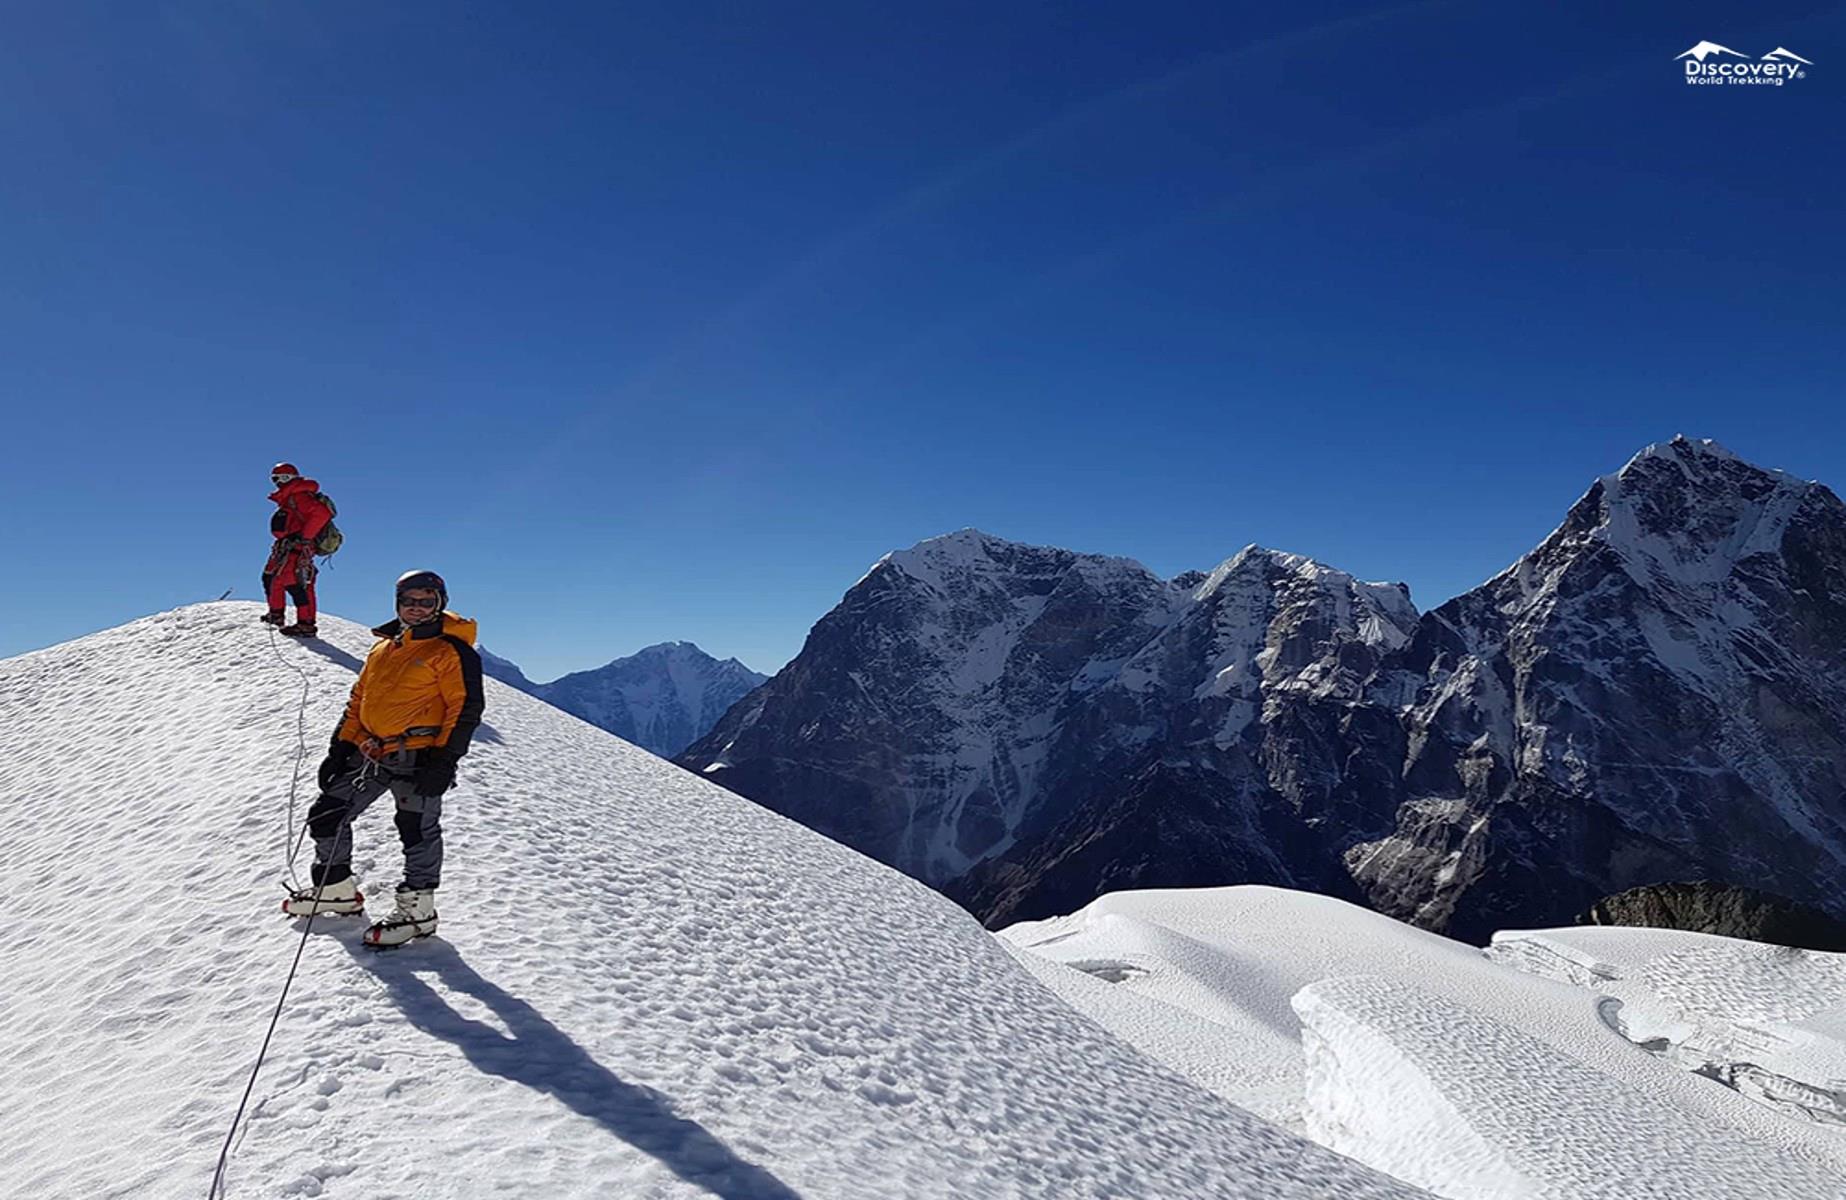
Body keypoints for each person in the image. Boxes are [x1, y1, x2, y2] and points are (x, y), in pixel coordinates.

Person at [283, 570, 485, 948]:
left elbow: (466, 708)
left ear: (440, 603)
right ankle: (335, 887)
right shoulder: (384, 648)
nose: (417, 608)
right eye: (409, 601)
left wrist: (445, 761)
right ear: (398, 604)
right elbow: (360, 700)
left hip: (421, 757)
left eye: (427, 601)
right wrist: (339, 748)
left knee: (416, 830)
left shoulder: (450, 651)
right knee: (328, 813)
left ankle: (418, 911)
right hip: (371, 752)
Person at [262, 462, 333, 638]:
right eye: (275, 479)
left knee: (294, 582)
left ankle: (304, 623)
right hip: (290, 545)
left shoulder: (299, 496)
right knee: (274, 578)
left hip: (297, 545)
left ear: (293, 478)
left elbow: (322, 514)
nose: (279, 482)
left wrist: (305, 537)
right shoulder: (291, 497)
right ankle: (278, 614)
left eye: (284, 478)